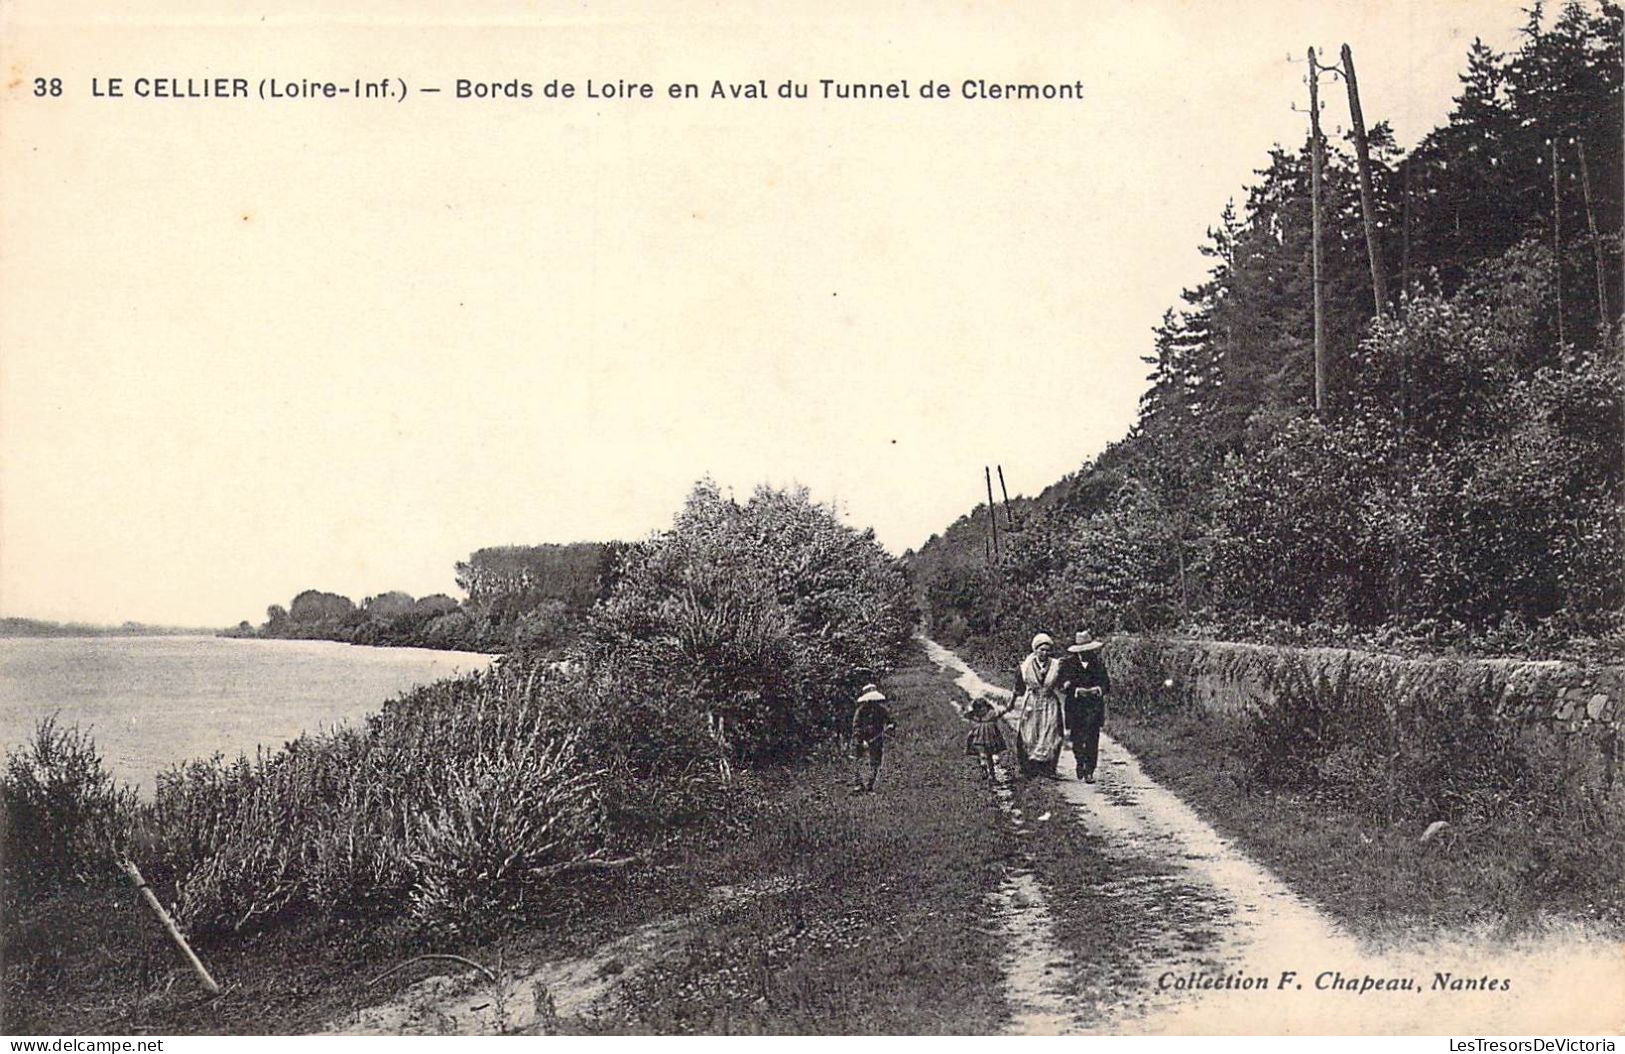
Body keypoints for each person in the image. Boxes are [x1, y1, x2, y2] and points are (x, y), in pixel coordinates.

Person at [1058, 630, 1111, 783]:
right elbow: (1061, 685)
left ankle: (1090, 770)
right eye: (1083, 650)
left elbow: (1106, 684)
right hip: (1075, 707)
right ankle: (1080, 762)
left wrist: (1098, 689)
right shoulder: (1068, 664)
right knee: (1077, 738)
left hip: (1094, 707)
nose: (1086, 653)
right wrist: (1075, 690)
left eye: (1089, 650)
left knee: (1092, 739)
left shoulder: (1098, 663)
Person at [1012, 633, 1064, 778]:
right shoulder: (1025, 666)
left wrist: (1065, 685)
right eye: (1041, 650)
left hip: (1049, 702)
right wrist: (1012, 702)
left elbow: (1061, 684)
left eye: (1047, 650)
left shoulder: (1056, 665)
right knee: (1028, 732)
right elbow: (1019, 687)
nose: (1044, 653)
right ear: (1035, 650)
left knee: (1051, 733)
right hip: (1032, 702)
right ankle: (1028, 768)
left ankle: (1049, 768)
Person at [851, 684, 896, 793]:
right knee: (859, 760)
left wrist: (891, 726)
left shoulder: (881, 710)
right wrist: (861, 740)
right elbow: (856, 726)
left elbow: (891, 721)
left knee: (875, 762)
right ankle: (859, 784)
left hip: (876, 739)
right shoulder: (860, 711)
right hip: (861, 739)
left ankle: (870, 785)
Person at [962, 696, 1011, 781]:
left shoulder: (991, 714)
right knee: (983, 755)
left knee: (989, 757)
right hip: (979, 739)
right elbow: (965, 714)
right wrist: (969, 710)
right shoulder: (975, 716)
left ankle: (992, 774)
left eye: (982, 708)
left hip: (991, 738)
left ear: (987, 707)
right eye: (978, 709)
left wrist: (1010, 705)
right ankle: (984, 769)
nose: (981, 711)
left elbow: (1003, 711)